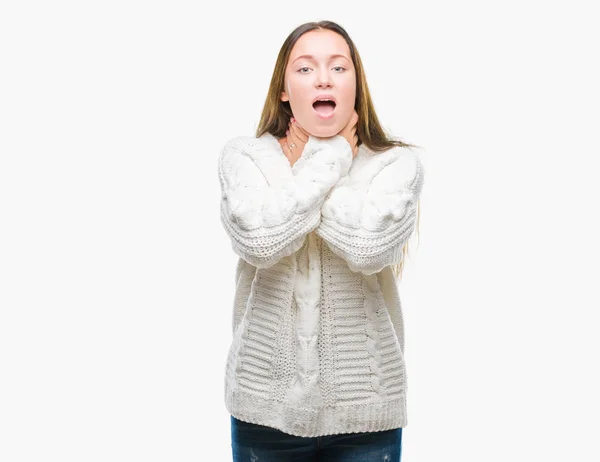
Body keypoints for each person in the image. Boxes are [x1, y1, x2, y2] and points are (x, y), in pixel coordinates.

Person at [217, 20, 425, 462]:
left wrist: (317, 163)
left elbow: (368, 248)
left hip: (366, 415)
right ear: (285, 91)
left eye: (338, 67)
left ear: (356, 87)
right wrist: (329, 161)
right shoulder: (245, 156)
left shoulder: (396, 163)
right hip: (263, 410)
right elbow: (260, 241)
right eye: (306, 68)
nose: (324, 78)